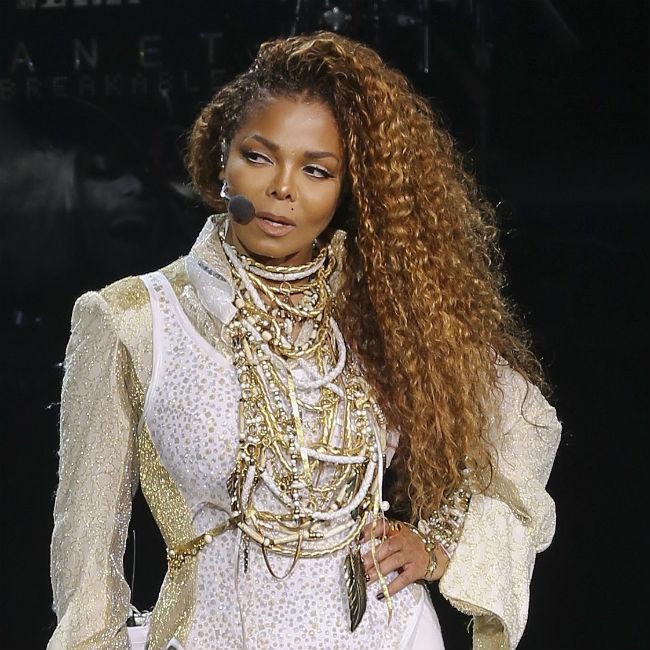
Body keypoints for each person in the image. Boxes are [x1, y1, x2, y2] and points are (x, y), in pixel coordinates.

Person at [48, 32, 561, 650]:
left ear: (347, 190)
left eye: (316, 170)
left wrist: (442, 542)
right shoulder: (132, 319)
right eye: (259, 157)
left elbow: (519, 419)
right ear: (223, 157)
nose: (283, 188)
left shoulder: (388, 312)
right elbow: (86, 564)